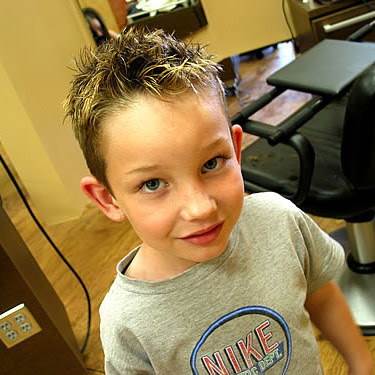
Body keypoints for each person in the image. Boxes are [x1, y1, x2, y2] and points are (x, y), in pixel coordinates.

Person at [63, 28, 373, 374]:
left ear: (236, 150)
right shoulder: (127, 322)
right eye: (153, 183)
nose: (201, 208)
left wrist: (362, 363)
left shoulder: (281, 222)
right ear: (108, 199)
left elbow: (322, 297)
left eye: (211, 163)